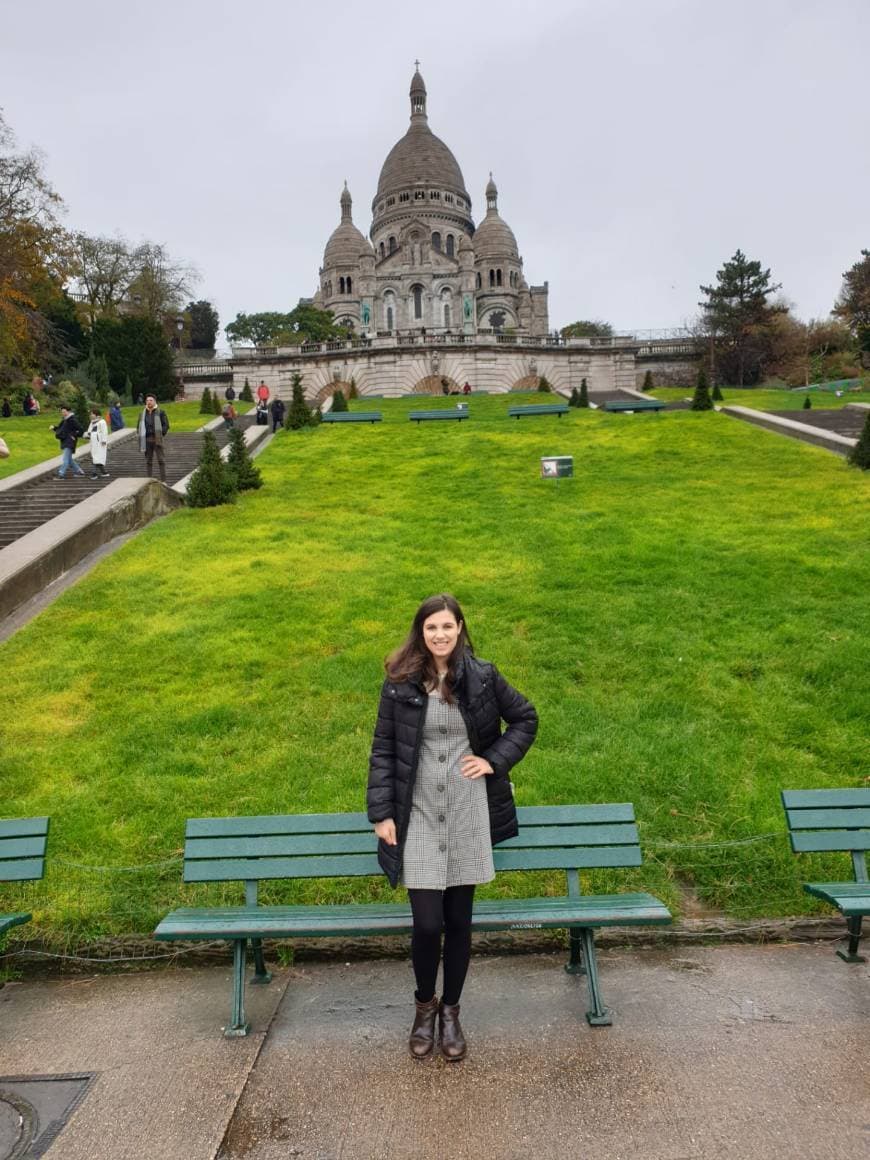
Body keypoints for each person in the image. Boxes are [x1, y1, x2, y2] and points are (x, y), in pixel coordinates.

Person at [367, 593, 537, 1062]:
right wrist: (381, 814)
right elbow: (383, 748)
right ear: (420, 632)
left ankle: (452, 1013)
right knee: (427, 924)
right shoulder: (400, 682)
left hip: (466, 808)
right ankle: (425, 1007)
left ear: (460, 628)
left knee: (459, 920)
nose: (439, 635)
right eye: (430, 628)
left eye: (447, 626)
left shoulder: (482, 677)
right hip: (416, 810)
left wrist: (492, 760)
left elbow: (525, 718)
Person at [137, 395, 170, 482]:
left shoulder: (161, 412)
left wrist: (160, 434)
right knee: (148, 461)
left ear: (155, 401)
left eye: (151, 400)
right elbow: (139, 427)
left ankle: (164, 481)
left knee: (161, 460)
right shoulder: (142, 414)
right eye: (147, 400)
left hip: (157, 440)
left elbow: (166, 425)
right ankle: (149, 480)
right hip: (147, 440)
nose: (149, 402)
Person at [50, 406, 86, 478]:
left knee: (65, 459)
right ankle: (79, 472)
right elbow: (61, 429)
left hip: (69, 441)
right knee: (69, 459)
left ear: (69, 411)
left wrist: (74, 435)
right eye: (62, 412)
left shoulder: (72, 419)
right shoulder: (65, 420)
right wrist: (54, 428)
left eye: (64, 411)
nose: (63, 413)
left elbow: (81, 430)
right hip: (64, 440)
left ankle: (61, 474)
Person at [85, 407, 110, 478]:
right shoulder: (92, 422)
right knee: (96, 458)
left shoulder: (102, 422)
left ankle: (94, 474)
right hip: (94, 443)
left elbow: (104, 432)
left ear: (96, 414)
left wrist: (104, 440)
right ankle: (104, 472)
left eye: (92, 414)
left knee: (97, 458)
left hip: (99, 443)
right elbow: (89, 431)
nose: (90, 415)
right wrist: (87, 435)